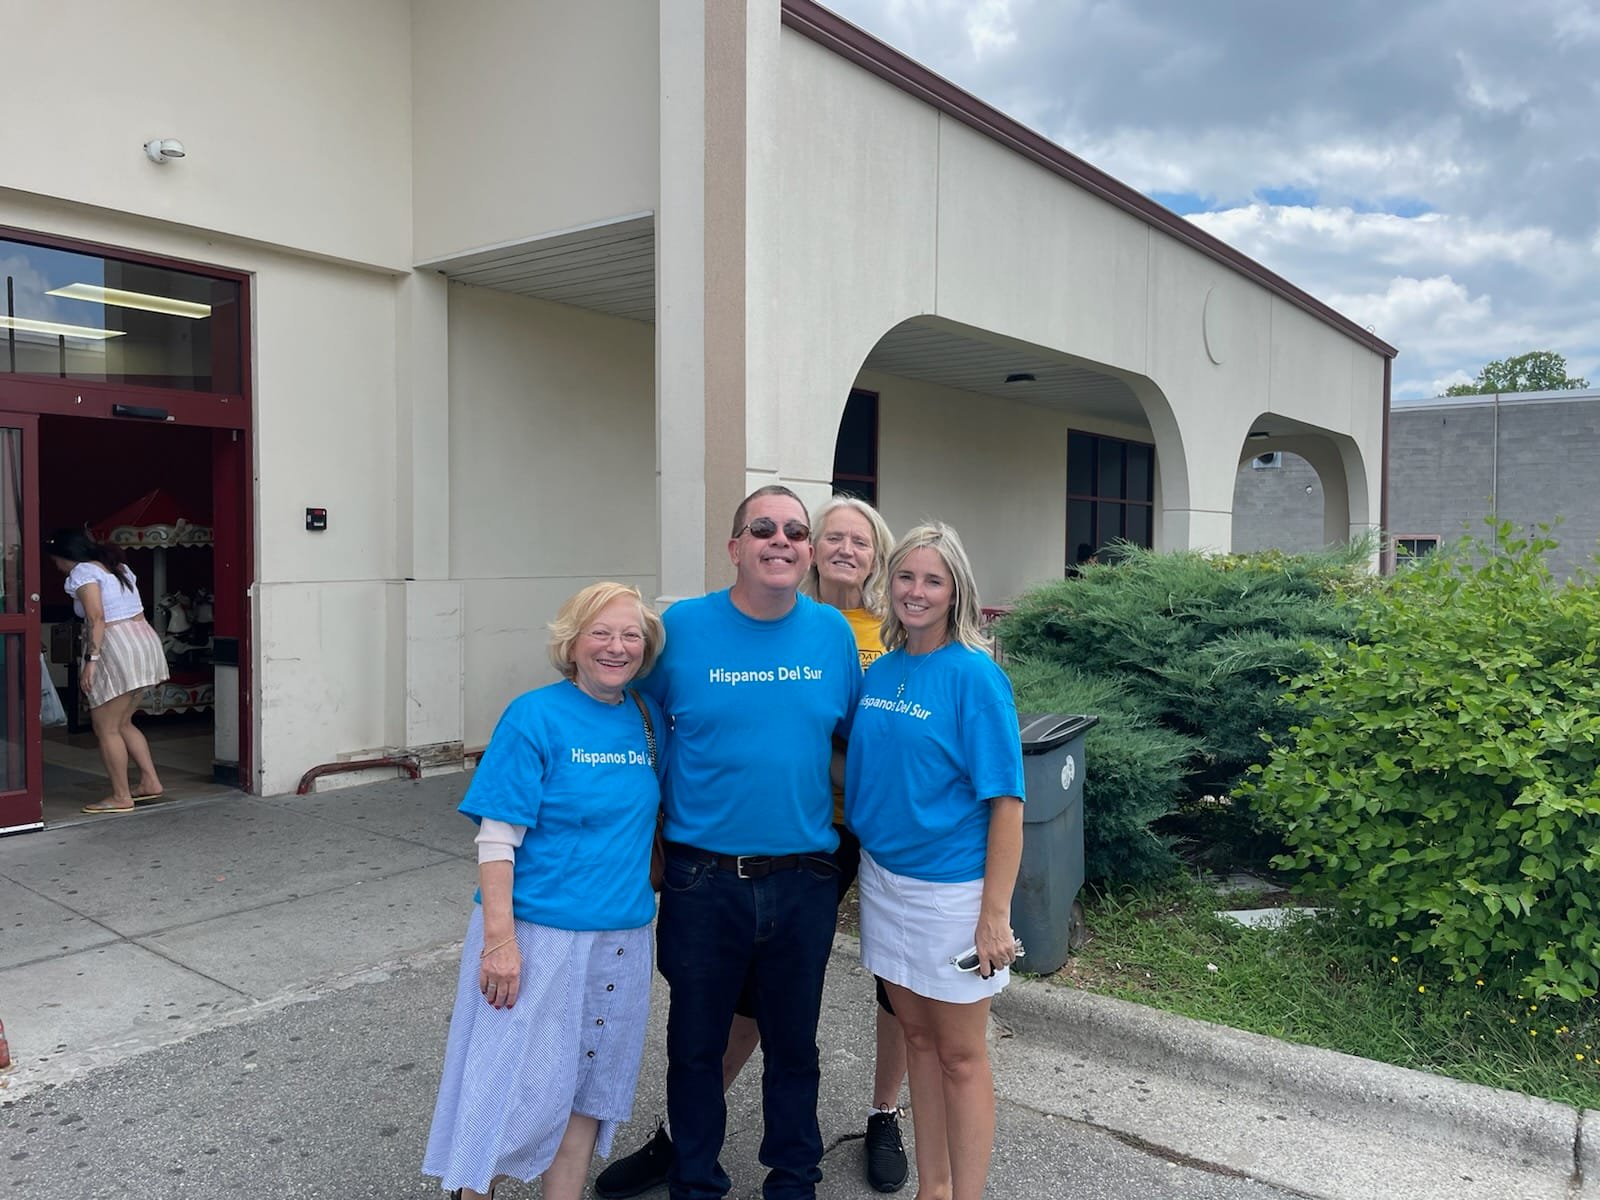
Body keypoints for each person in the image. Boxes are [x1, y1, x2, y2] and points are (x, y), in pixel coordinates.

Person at [596, 494, 909, 1197]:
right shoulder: (683, 629)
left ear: (807, 552)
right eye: (762, 529)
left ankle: (794, 1183)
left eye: (795, 531)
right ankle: (693, 1180)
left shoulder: (831, 635)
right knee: (695, 1049)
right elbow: (628, 717)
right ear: (735, 547)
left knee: (794, 1050)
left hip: (805, 876)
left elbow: (862, 745)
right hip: (701, 879)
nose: (781, 540)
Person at [423, 582, 667, 1200]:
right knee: (510, 1092)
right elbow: (496, 838)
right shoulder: (534, 716)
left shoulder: (646, 720)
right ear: (572, 642)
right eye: (601, 633)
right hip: (538, 938)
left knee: (587, 1092)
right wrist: (499, 942)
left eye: (631, 635)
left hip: (622, 938)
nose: (616, 647)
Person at [845, 523, 1025, 1200]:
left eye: (933, 580)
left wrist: (993, 916)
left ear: (956, 592)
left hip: (951, 893)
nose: (916, 591)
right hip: (884, 883)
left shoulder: (975, 676)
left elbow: (1007, 802)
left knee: (960, 1056)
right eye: (905, 576)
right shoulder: (884, 670)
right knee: (917, 1041)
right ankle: (934, 1188)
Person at [45, 528, 169, 814]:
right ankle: (150, 782)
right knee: (124, 722)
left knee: (106, 727)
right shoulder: (117, 567)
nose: (57, 566)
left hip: (115, 645)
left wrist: (91, 661)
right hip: (143, 640)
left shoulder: (82, 572)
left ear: (66, 555)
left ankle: (121, 796)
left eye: (55, 560)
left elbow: (96, 617)